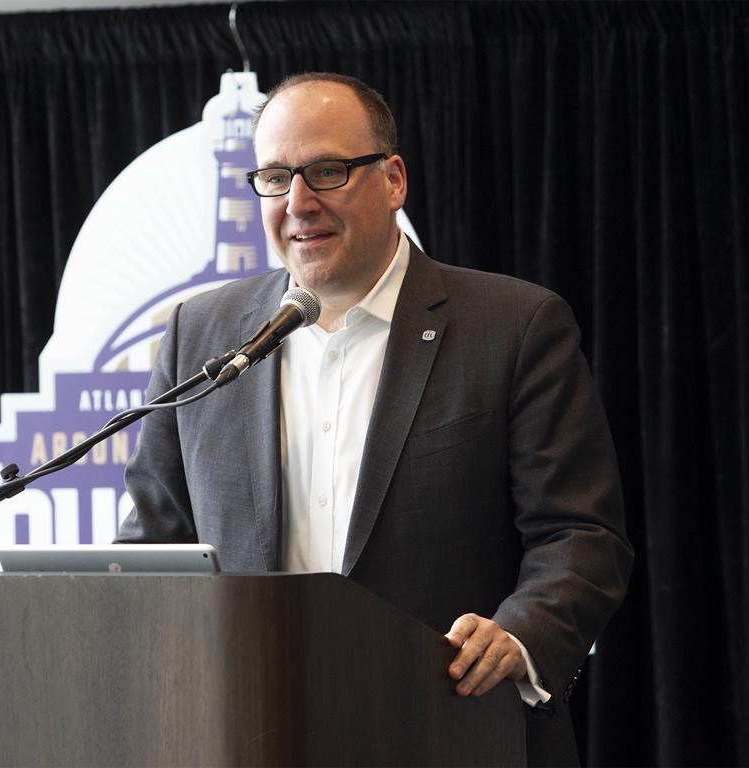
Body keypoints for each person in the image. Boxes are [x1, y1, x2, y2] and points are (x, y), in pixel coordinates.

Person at [117, 72, 633, 765]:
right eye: (274, 177)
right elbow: (155, 544)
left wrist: (518, 634)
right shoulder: (201, 336)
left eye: (326, 171)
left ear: (392, 180)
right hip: (251, 734)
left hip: (453, 728)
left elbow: (580, 533)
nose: (298, 202)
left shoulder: (512, 326)